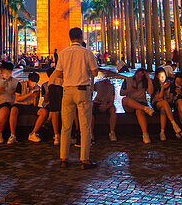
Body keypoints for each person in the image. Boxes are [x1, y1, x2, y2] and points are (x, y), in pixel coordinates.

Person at [53, 27, 98, 169]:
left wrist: (70, 74)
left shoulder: (63, 53)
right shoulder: (87, 53)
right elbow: (95, 72)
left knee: (66, 126)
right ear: (81, 37)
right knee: (85, 127)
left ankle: (63, 158)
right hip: (82, 91)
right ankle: (84, 160)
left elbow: (58, 74)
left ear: (70, 37)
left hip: (67, 91)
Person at [120, 67, 155, 144]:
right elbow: (121, 93)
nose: (140, 77)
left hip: (140, 102)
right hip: (130, 103)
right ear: (136, 73)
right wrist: (130, 90)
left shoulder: (145, 82)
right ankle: (146, 109)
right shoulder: (128, 80)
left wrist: (149, 80)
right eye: (139, 74)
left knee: (139, 111)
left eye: (142, 75)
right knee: (125, 100)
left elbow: (150, 92)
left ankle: (145, 134)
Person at [9, 71, 44, 144]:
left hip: (30, 106)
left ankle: (33, 133)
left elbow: (35, 105)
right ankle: (12, 135)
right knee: (13, 110)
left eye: (35, 82)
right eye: (32, 82)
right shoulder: (21, 84)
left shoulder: (37, 88)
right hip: (20, 105)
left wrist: (35, 97)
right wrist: (29, 94)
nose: (33, 84)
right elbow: (17, 99)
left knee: (44, 112)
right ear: (28, 80)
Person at [92, 75, 118, 142]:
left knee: (113, 110)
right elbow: (91, 91)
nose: (107, 80)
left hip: (107, 104)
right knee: (91, 110)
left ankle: (112, 132)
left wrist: (106, 106)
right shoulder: (98, 84)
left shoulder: (111, 87)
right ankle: (91, 132)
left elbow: (112, 101)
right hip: (98, 103)